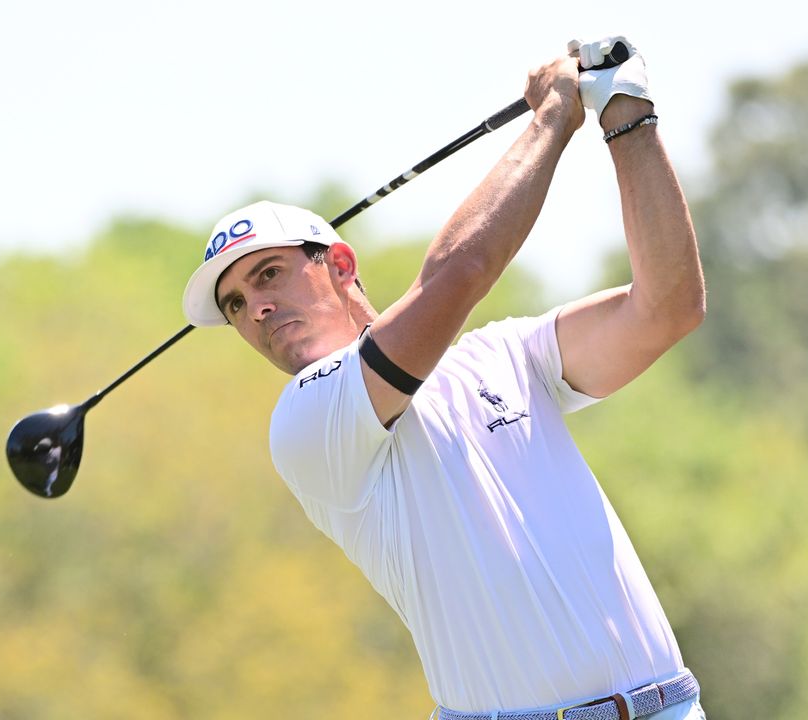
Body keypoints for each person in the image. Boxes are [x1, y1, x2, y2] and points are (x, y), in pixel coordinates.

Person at [181, 36, 708, 720]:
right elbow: (460, 273)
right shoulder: (307, 423)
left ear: (339, 264)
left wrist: (626, 115)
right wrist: (553, 115)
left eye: (269, 275)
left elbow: (668, 307)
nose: (258, 310)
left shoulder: (503, 356)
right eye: (236, 307)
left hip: (667, 706)